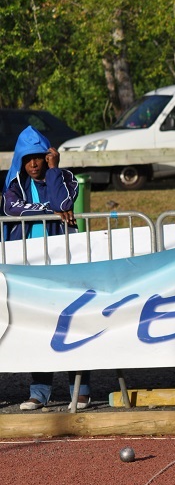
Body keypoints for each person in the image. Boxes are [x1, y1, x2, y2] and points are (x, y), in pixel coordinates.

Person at [3, 125, 92, 411]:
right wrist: (48, 210)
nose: (33, 164)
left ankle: (80, 391)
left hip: (65, 265)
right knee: (38, 327)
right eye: (27, 158)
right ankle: (39, 392)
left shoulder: (65, 177)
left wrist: (54, 171)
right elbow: (12, 209)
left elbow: (64, 201)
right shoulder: (14, 184)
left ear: (48, 156)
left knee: (72, 323)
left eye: (39, 158)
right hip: (30, 269)